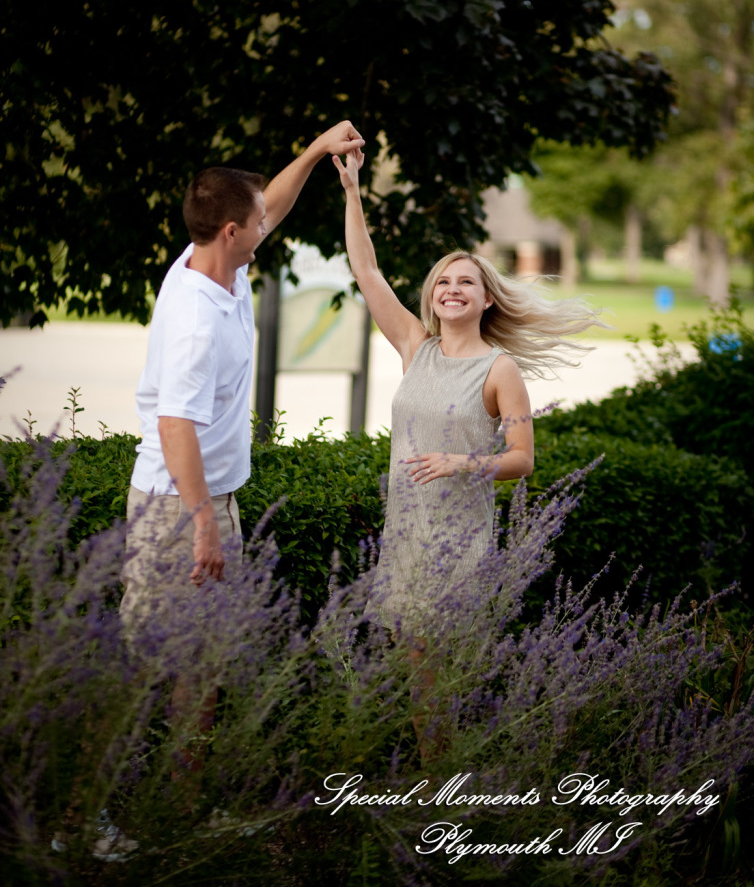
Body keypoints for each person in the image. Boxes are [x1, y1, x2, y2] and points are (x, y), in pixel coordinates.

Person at [333, 146, 604, 752]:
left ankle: (443, 805)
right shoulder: (413, 345)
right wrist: (353, 194)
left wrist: (464, 463)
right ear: (431, 298)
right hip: (405, 533)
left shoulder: (500, 370)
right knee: (421, 680)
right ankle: (447, 794)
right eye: (443, 282)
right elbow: (367, 272)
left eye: (467, 283)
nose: (453, 289)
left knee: (434, 682)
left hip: (458, 543)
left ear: (486, 300)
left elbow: (522, 460)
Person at [121, 120, 364, 788]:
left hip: (209, 503)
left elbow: (272, 204)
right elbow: (175, 426)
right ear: (233, 231)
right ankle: (94, 821)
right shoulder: (196, 318)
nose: (267, 227)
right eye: (256, 223)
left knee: (203, 669)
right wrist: (203, 525)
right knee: (151, 669)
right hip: (177, 511)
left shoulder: (211, 259)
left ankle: (180, 809)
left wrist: (316, 149)